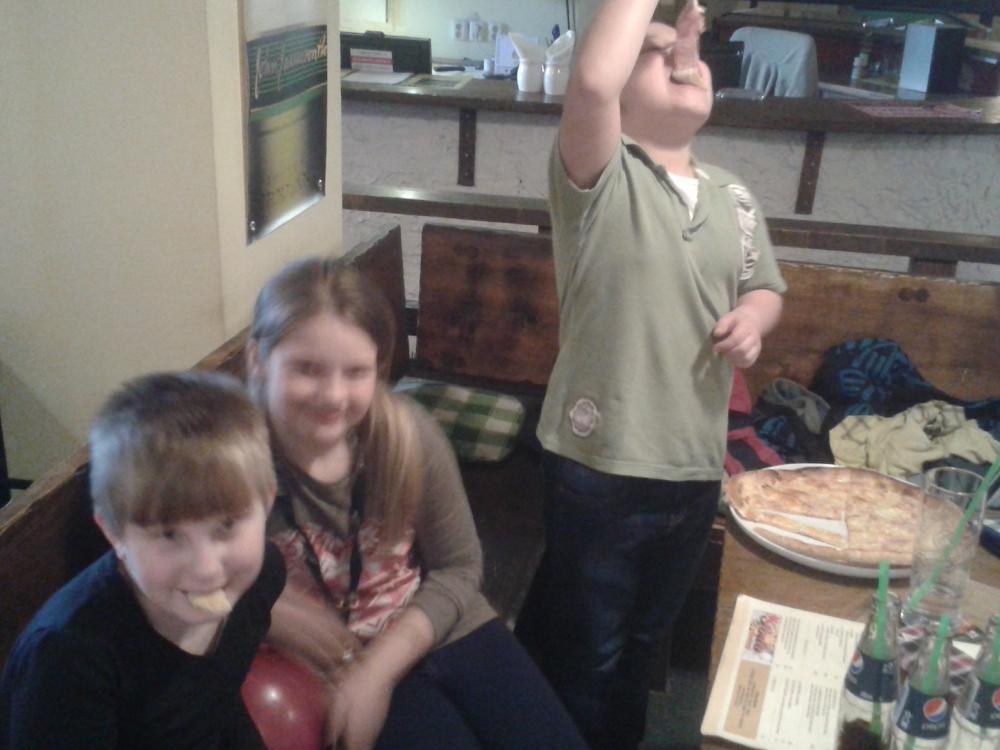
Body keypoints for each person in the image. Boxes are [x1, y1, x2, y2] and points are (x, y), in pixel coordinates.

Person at [513, 1, 788, 748]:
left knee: (642, 646)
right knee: (591, 652)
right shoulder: (603, 173)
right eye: (656, 50)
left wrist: (753, 319)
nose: (684, 56)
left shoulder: (735, 197)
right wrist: (651, 21)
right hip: (598, 464)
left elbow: (764, 286)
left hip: (693, 466)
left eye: (693, 51)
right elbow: (592, 83)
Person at [246, 257, 586, 750]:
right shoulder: (230, 460)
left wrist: (378, 671)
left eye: (356, 372)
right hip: (331, 663)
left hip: (435, 622)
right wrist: (269, 612)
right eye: (307, 369)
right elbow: (180, 577)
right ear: (258, 359)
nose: (333, 396)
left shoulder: (407, 437)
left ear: (379, 368)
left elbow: (459, 567)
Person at [0, 371, 285, 749]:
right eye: (169, 534)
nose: (207, 569)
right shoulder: (67, 658)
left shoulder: (261, 579)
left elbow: (216, 699)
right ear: (114, 534)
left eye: (227, 525)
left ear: (266, 503)